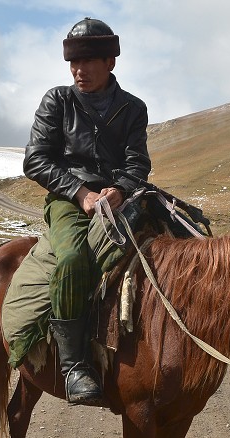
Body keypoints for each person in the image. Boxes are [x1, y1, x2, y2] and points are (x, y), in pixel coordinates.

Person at [23, 17, 152, 405]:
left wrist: (121, 189)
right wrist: (80, 193)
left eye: (88, 62)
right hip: (68, 200)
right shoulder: (57, 101)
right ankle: (74, 365)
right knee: (73, 260)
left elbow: (137, 162)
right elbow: (36, 160)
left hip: (119, 199)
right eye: (74, 63)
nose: (79, 70)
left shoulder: (133, 108)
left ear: (110, 62)